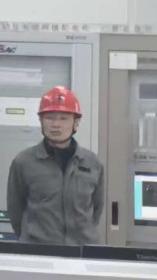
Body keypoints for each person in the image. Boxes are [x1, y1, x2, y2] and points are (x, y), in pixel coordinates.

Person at [6, 86, 104, 245]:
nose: (56, 124)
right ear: (41, 121)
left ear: (76, 123)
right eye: (49, 118)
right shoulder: (24, 162)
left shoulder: (92, 163)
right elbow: (15, 211)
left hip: (82, 251)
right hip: (39, 251)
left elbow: (96, 209)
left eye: (64, 118)